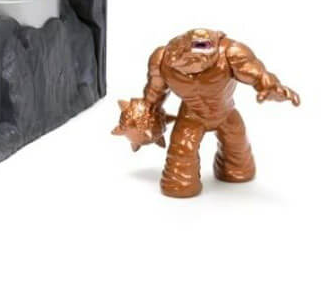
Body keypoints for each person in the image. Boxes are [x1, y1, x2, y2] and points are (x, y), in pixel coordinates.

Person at [113, 28, 299, 198]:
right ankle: (182, 185)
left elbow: (258, 74)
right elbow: (154, 95)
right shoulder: (161, 59)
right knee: (179, 176)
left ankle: (232, 170)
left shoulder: (231, 52)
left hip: (226, 113)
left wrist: (271, 87)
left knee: (239, 163)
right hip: (191, 116)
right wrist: (140, 122)